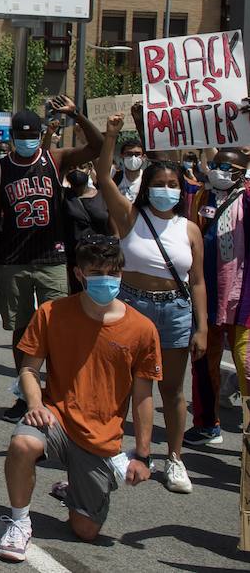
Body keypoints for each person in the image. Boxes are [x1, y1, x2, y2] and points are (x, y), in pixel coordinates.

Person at [0, 237, 159, 562]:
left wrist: (142, 455)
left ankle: (76, 487)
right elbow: (29, 369)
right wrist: (35, 404)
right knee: (22, 444)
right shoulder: (51, 312)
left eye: (113, 272)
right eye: (97, 272)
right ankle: (19, 521)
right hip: (56, 418)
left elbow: (143, 397)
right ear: (79, 273)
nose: (106, 279)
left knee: (85, 531)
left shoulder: (142, 329)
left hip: (101, 439)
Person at [94, 114, 206, 494]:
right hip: (131, 307)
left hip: (175, 310)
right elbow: (103, 179)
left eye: (173, 185)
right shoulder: (129, 217)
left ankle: (174, 459)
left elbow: (199, 281)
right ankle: (111, 451)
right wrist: (110, 136)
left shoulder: (189, 229)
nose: (166, 190)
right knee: (122, 385)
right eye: (160, 185)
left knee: (172, 390)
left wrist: (202, 327)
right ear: (147, 189)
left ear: (181, 190)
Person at [0, 98, 103, 420]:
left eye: (31, 135)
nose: (26, 140)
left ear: (39, 134)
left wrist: (76, 114)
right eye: (20, 136)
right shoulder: (1, 168)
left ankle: (58, 393)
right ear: (12, 138)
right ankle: (25, 395)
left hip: (52, 258)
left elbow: (97, 146)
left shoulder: (54, 158)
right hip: (14, 259)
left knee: (58, 328)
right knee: (22, 332)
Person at [186, 149, 249, 446]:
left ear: (241, 172)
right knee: (201, 359)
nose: (218, 171)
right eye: (215, 165)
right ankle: (207, 424)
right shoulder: (202, 197)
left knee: (246, 363)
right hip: (207, 296)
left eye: (226, 167)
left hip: (242, 299)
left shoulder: (247, 198)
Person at [116, 137, 146, 202]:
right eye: (129, 154)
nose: (133, 158)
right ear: (122, 155)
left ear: (144, 157)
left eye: (137, 154)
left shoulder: (147, 179)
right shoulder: (114, 176)